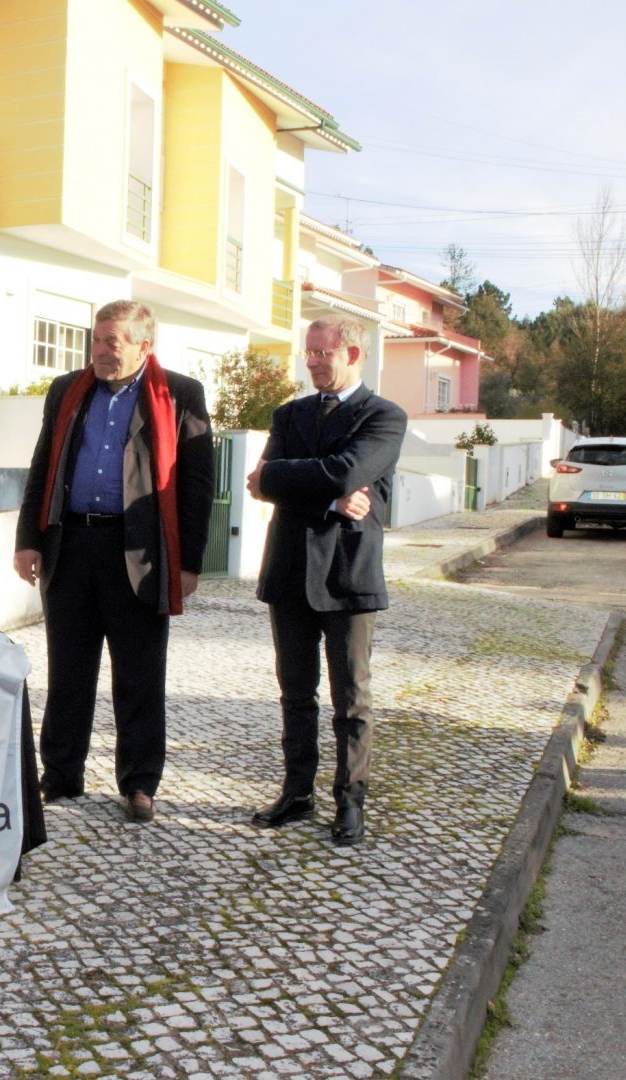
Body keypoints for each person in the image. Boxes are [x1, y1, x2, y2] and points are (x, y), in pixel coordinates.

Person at [14, 300, 214, 823]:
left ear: (144, 346)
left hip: (141, 553)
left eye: (113, 342)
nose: (100, 351)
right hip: (72, 546)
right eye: (97, 340)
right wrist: (28, 538)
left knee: (140, 674)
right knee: (68, 669)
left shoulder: (180, 394)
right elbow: (43, 466)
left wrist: (189, 562)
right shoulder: (67, 391)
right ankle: (60, 773)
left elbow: (195, 484)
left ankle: (139, 782)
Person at [246, 312, 407, 846]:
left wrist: (302, 478)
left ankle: (350, 800)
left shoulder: (383, 416)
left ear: (353, 354)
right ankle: (296, 792)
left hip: (347, 574)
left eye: (323, 353)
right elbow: (260, 480)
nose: (311, 361)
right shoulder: (288, 413)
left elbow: (344, 469)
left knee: (351, 697)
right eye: (308, 352)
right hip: (289, 569)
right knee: (295, 692)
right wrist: (332, 494)